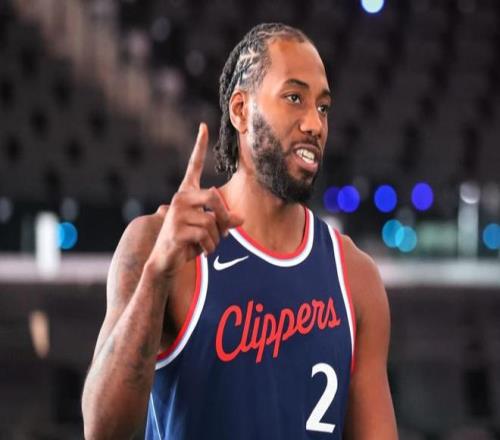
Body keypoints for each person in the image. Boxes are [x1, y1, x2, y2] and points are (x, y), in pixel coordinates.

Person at [82, 23, 397, 439]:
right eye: (294, 98)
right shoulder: (157, 245)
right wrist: (156, 276)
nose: (315, 124)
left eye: (323, 107)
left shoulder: (355, 277)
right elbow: (103, 431)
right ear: (241, 110)